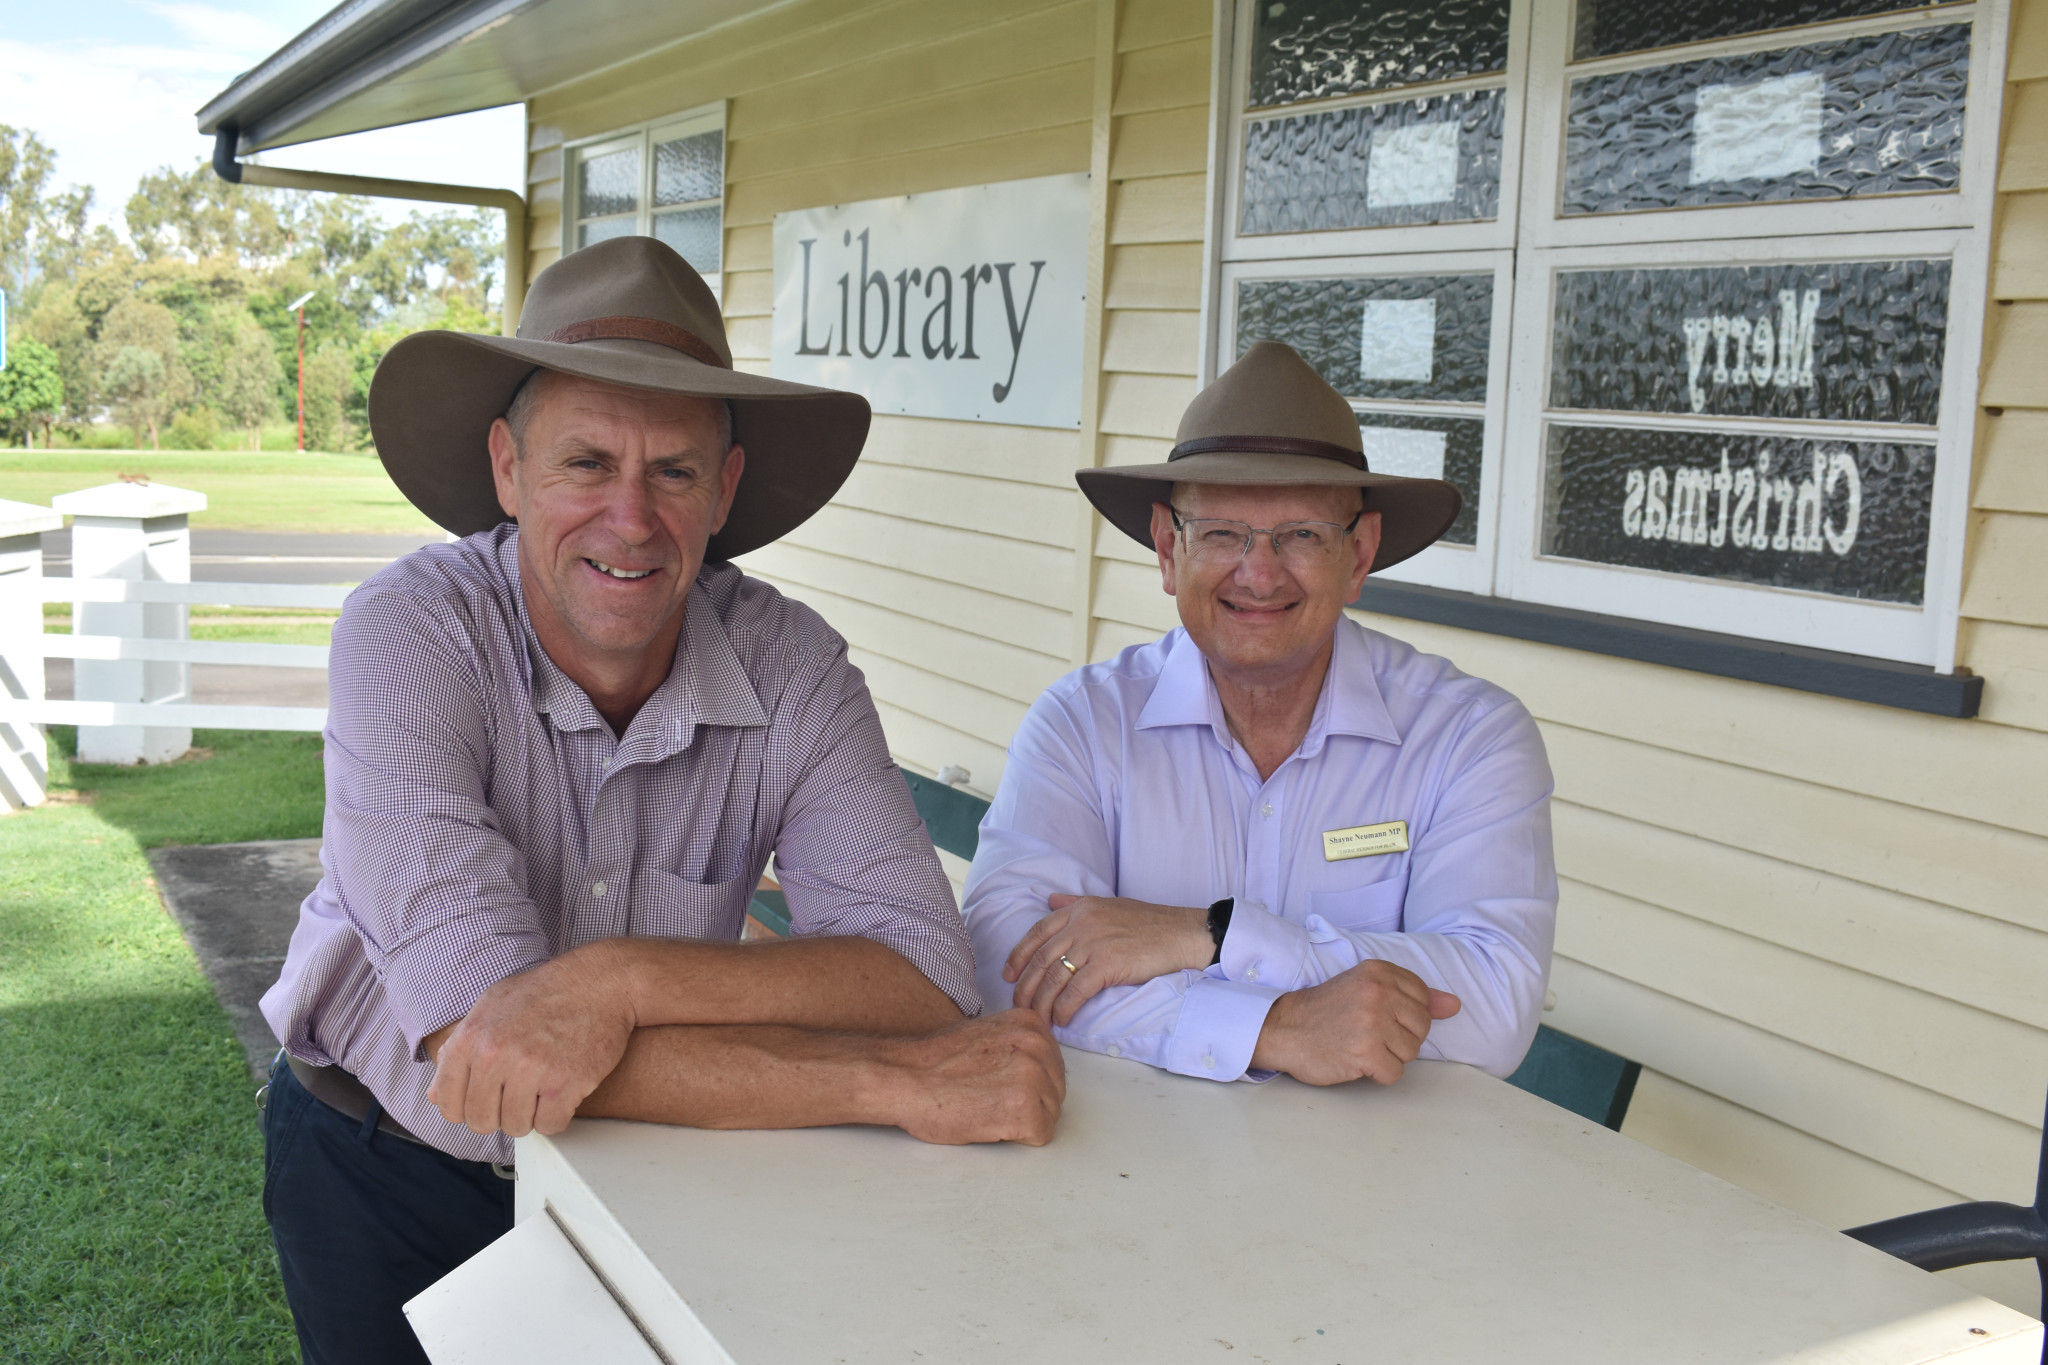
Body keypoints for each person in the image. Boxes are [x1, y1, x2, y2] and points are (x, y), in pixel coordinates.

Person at [257, 236, 1063, 1364]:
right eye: (585, 462)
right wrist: (887, 1082)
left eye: (674, 471)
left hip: (649, 1164)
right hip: (385, 1159)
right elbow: (491, 1046)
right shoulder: (412, 634)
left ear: (724, 489)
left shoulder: (794, 666)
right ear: (506, 469)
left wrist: (617, 979)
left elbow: (923, 972)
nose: (630, 518)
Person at [963, 340, 1555, 1090]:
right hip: (1125, 1178)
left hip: (1384, 1185)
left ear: (1361, 553)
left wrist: (1206, 934)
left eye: (1302, 534)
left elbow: (1494, 1007)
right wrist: (1276, 1028)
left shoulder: (1470, 737)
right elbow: (1006, 967)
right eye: (1221, 533)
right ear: (1166, 547)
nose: (1260, 572)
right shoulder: (1083, 725)